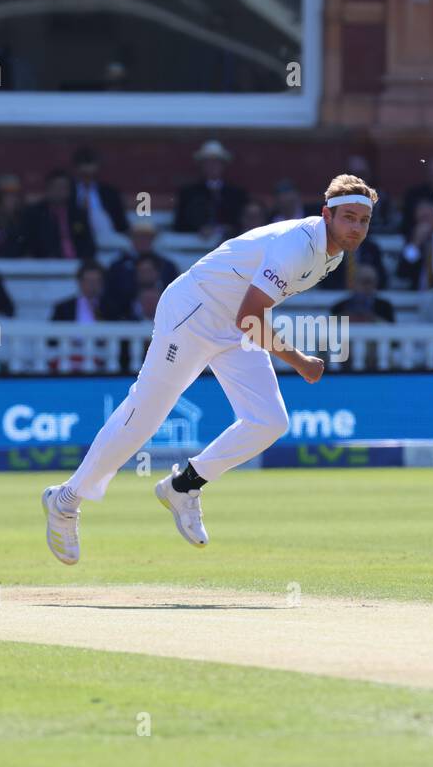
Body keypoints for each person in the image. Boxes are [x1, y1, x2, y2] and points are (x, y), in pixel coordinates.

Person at [40, 173, 375, 564]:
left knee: (268, 421)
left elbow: (248, 315)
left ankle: (183, 486)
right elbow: (252, 316)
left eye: (363, 220)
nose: (355, 227)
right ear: (326, 215)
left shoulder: (333, 255)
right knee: (145, 417)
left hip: (234, 325)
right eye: (348, 217)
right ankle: (65, 500)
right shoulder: (298, 246)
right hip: (194, 311)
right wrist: (299, 361)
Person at [101, 219, 179, 319]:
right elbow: (111, 297)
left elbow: (175, 296)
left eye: (146, 237)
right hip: (126, 322)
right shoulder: (117, 267)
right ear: (131, 239)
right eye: (138, 237)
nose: (142, 240)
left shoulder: (167, 266)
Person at [171, 140, 249, 238]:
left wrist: (228, 229)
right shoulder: (189, 193)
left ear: (223, 165)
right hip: (194, 245)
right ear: (201, 165)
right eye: (208, 162)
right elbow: (180, 223)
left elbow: (242, 221)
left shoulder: (236, 193)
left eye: (216, 162)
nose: (212, 166)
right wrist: (199, 229)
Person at [24, 169, 96, 261]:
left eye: (64, 187)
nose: (60, 191)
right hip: (46, 265)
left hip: (78, 264)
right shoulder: (34, 214)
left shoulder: (78, 214)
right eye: (56, 187)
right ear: (48, 188)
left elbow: (89, 244)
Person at [70, 146, 130, 246]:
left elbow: (121, 222)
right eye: (83, 166)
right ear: (76, 168)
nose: (87, 172)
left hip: (110, 239)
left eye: (90, 164)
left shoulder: (110, 193)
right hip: (77, 239)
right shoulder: (69, 191)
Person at [330, 267, 395, 323]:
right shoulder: (338, 307)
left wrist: (372, 319)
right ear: (354, 283)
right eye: (364, 282)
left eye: (370, 282)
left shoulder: (385, 308)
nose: (367, 286)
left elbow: (393, 330)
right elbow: (330, 329)